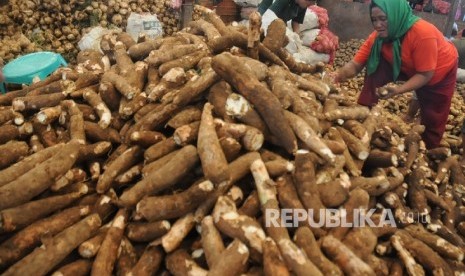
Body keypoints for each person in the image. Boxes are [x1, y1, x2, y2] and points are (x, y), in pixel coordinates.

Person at [332, 0, 458, 149]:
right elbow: (354, 65)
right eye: (374, 20)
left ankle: (429, 150)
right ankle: (365, 109)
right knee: (375, 61)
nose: (378, 24)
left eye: (383, 19)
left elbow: (425, 75)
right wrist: (336, 76)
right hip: (406, 64)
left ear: (395, 15)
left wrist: (398, 90)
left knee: (433, 115)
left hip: (438, 71)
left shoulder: (423, 34)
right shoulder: (378, 38)